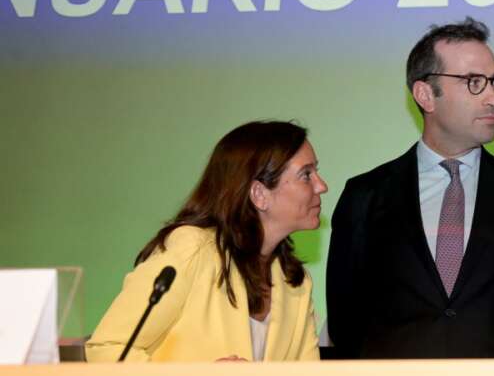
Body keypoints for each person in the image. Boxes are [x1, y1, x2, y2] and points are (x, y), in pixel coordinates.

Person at [326, 18, 494, 358]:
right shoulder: (365, 196)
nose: (493, 99)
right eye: (474, 82)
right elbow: (346, 323)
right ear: (425, 94)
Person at [86, 121, 326, 362]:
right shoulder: (191, 248)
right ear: (259, 194)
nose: (321, 186)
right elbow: (108, 348)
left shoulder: (296, 281)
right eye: (306, 175)